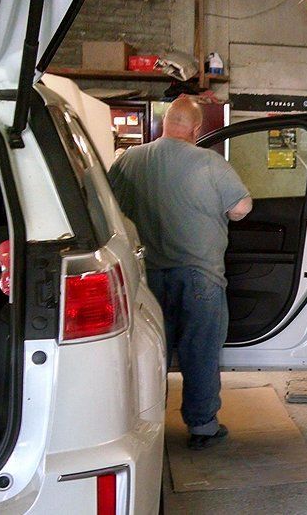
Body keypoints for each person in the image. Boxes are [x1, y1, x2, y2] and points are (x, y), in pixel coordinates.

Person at [108, 96, 252, 450]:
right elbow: (242, 208)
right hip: (201, 276)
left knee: (151, 354)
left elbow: (108, 207)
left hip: (147, 276)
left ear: (165, 123)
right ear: (197, 128)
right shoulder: (211, 163)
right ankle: (202, 427)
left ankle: (145, 426)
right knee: (199, 352)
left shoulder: (129, 160)